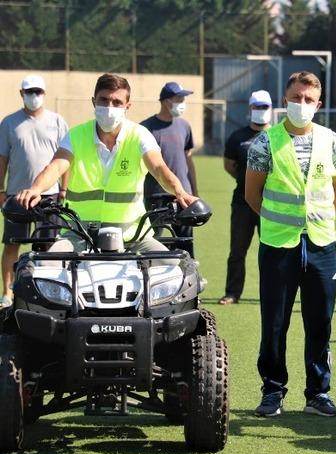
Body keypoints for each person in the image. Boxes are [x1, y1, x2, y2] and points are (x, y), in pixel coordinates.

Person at [245, 71, 336, 418]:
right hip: (278, 245)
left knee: (320, 322)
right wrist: (279, 222)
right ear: (285, 99)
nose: (301, 104)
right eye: (295, 98)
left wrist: (316, 220)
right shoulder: (265, 142)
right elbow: (252, 194)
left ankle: (318, 394)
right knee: (274, 323)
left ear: (318, 104)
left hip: (321, 245)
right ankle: (272, 392)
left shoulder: (332, 141)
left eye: (308, 99)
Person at [15, 73, 197, 256]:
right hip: (78, 235)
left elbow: (158, 168)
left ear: (128, 106)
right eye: (104, 100)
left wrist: (180, 192)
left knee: (172, 269)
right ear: (94, 102)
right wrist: (35, 189)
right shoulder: (76, 135)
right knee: (48, 267)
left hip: (135, 236)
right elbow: (56, 166)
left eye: (117, 102)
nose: (110, 107)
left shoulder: (140, 135)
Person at [0, 75, 68, 306]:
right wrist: (1, 189)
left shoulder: (58, 122)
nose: (34, 96)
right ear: (21, 94)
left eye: (38, 92)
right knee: (12, 243)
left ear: (44, 94)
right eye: (29, 92)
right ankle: (8, 293)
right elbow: (2, 159)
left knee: (48, 246)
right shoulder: (9, 123)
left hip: (49, 194)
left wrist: (64, 189)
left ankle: (47, 292)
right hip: (17, 194)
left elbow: (65, 158)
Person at [218, 90, 272, 306]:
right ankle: (232, 292)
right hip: (242, 202)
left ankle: (271, 292)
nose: (261, 111)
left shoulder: (276, 136)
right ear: (250, 108)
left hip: (270, 203)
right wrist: (250, 183)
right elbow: (229, 165)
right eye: (257, 107)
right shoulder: (237, 137)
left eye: (265, 107)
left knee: (271, 251)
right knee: (237, 250)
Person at [141, 81, 197, 255]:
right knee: (151, 239)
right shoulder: (145, 128)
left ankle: (189, 275)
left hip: (183, 194)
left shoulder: (185, 126)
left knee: (185, 240)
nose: (182, 103)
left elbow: (188, 159)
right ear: (166, 101)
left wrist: (194, 189)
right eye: (178, 98)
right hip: (155, 194)